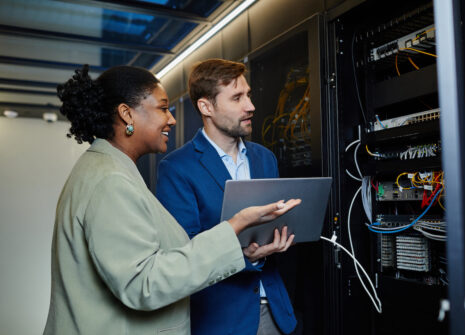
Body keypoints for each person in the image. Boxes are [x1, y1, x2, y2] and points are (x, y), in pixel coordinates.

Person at [43, 64, 300, 335]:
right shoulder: (111, 181)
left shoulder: (109, 170)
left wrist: (245, 250)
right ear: (126, 114)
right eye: (163, 108)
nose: (173, 119)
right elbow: (143, 284)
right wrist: (233, 228)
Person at [156, 58, 297, 335]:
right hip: (221, 319)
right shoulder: (177, 168)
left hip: (276, 311)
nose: (251, 106)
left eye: (248, 95)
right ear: (206, 107)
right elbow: (183, 254)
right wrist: (248, 257)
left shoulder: (264, 158)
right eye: (237, 98)